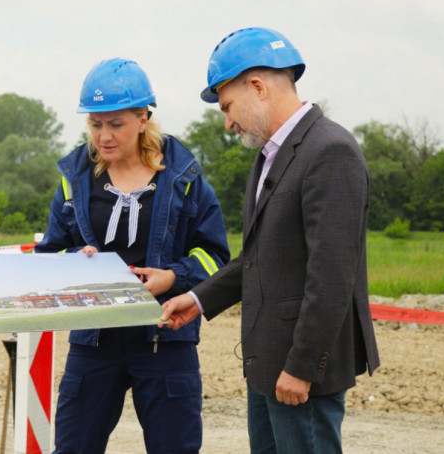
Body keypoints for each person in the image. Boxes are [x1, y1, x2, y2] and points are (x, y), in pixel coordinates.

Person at [161, 27, 380, 453]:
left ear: (258, 87)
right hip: (267, 367)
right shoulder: (269, 156)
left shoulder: (330, 151)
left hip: (300, 374)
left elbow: (332, 277)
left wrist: (302, 367)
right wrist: (199, 299)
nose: (227, 123)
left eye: (227, 107)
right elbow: (257, 257)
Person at [35, 58, 230, 453]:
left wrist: (173, 277)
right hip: (94, 341)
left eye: (116, 124)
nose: (103, 136)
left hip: (165, 339)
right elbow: (48, 255)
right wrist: (75, 259)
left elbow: (215, 256)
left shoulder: (184, 178)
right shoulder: (74, 181)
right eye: (95, 124)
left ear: (143, 119)